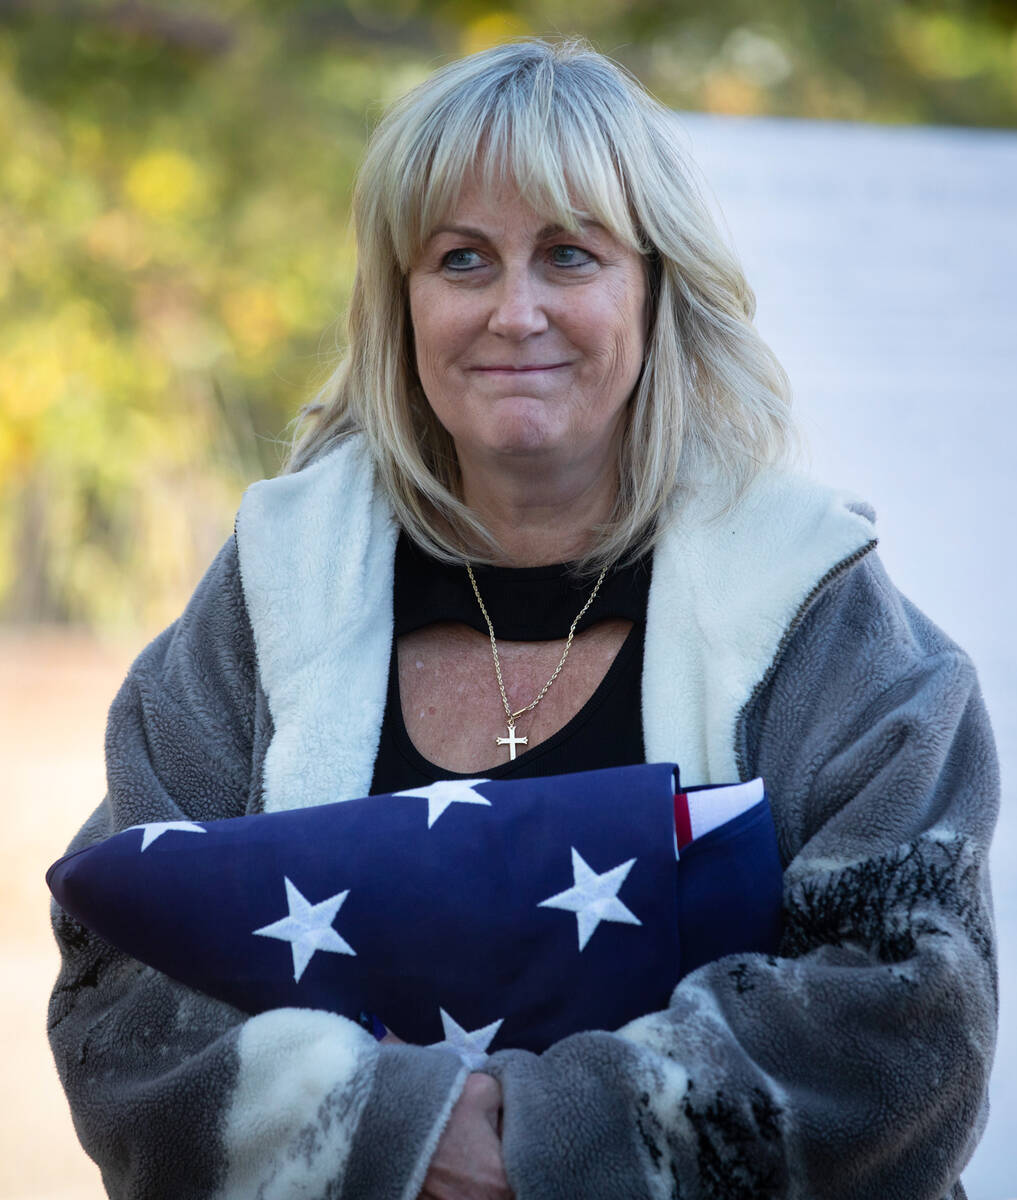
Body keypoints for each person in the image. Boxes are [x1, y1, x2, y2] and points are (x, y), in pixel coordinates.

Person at [48, 37, 998, 1200]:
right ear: (402, 305)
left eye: (568, 254)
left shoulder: (820, 611)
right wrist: (386, 1132)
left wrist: (547, 1140)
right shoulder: (273, 597)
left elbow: (908, 1006)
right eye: (462, 259)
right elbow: (120, 958)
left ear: (655, 286)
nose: (515, 312)